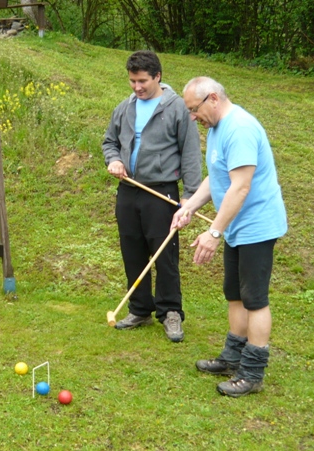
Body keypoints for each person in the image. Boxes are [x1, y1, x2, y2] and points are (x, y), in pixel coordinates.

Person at [173, 76, 288, 397]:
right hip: (238, 226)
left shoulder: (239, 128)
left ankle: (252, 373)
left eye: (194, 110)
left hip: (257, 226)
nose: (193, 117)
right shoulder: (217, 129)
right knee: (234, 293)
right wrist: (191, 207)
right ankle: (232, 356)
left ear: (212, 98)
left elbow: (241, 187)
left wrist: (213, 232)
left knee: (254, 299)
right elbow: (219, 176)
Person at [102, 50, 203, 342]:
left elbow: (190, 153)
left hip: (161, 194)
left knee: (165, 256)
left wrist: (191, 196)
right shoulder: (124, 108)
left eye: (142, 81)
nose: (137, 87)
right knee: (132, 251)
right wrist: (114, 160)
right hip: (128, 191)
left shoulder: (177, 109)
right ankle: (139, 309)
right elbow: (109, 141)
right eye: (132, 81)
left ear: (157, 76)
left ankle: (171, 312)